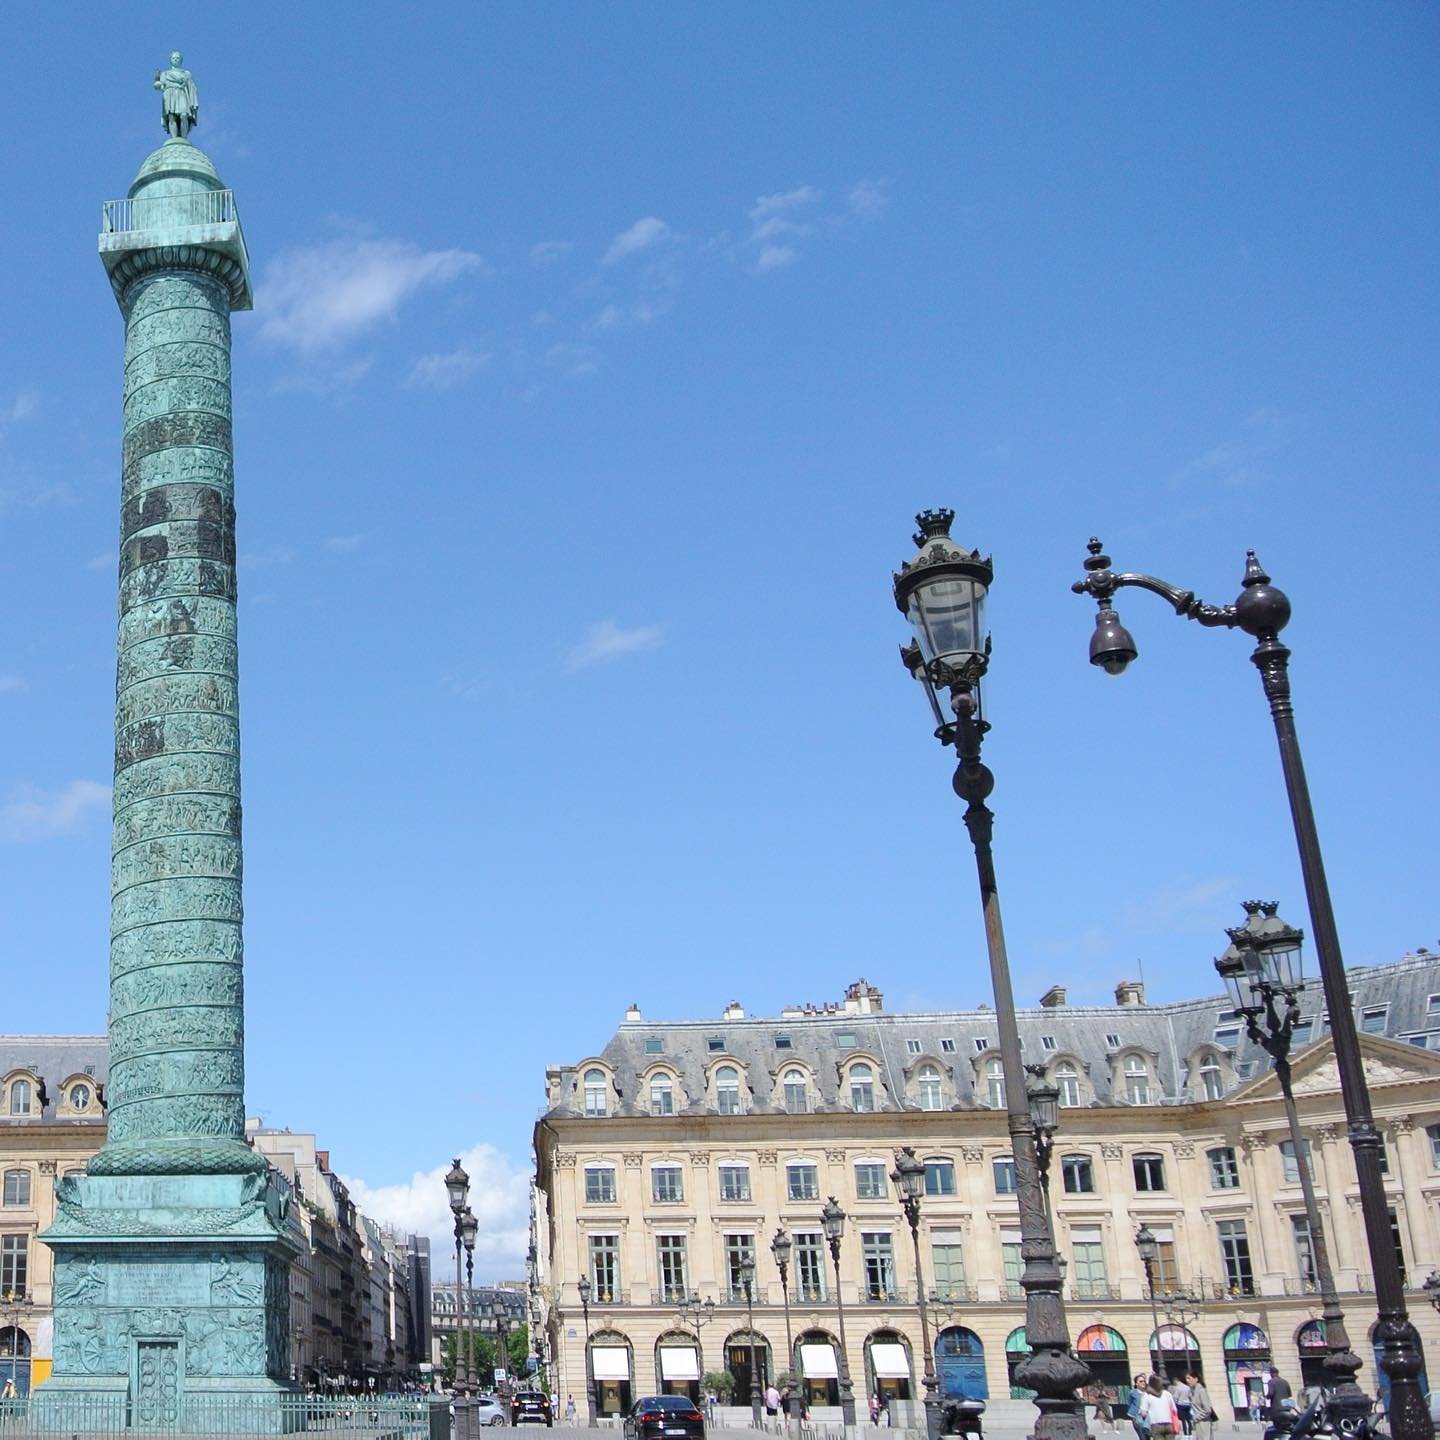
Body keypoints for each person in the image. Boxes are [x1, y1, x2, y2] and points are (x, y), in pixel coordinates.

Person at [1187, 1374, 1216, 1440]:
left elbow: (1208, 1410)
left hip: (1204, 1422)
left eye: (1189, 1378)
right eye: (1187, 1379)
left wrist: (1197, 1417)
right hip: (1198, 1422)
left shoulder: (1201, 1391)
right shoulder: (1192, 1392)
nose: (1187, 1381)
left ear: (1196, 1379)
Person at [1128, 1375, 1152, 1440]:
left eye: (1144, 1381)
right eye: (1141, 1381)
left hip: (1148, 1417)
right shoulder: (1132, 1392)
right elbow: (1129, 1404)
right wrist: (1132, 1414)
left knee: (1148, 1437)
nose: (1143, 1382)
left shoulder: (1148, 1392)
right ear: (1136, 1383)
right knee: (1142, 1437)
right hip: (1137, 1417)